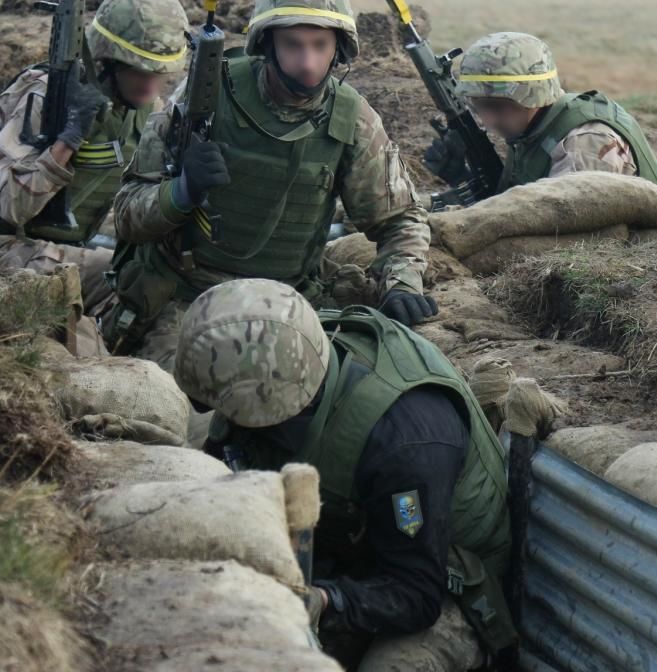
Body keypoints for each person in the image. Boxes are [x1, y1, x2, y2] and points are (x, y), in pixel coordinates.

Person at [175, 278, 516, 671]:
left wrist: (323, 602)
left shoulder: (403, 444)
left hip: (442, 582)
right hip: (346, 548)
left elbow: (417, 592)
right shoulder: (285, 359)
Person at [107, 0, 434, 368]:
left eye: (320, 45)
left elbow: (400, 219)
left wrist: (401, 284)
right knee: (185, 407)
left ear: (340, 49)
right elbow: (125, 215)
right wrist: (181, 192)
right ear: (267, 43)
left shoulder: (353, 120)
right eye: (293, 45)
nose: (309, 63)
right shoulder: (205, 98)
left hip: (292, 302)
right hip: (192, 296)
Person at [0, 0, 189, 315]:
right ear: (109, 60)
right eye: (140, 71)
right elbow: (13, 208)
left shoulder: (146, 108)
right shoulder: (45, 95)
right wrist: (69, 138)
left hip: (60, 246)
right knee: (132, 278)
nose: (152, 85)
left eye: (160, 74)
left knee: (162, 271)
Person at [438, 31, 657, 196]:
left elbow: (566, 234)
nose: (488, 121)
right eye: (480, 107)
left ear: (532, 95)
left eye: (497, 106)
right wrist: (464, 178)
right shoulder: (529, 129)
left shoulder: (584, 142)